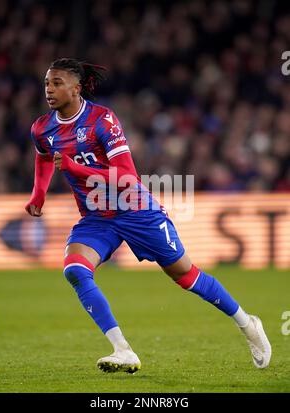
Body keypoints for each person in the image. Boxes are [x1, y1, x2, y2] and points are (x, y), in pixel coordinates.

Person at [25, 58, 271, 374]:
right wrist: (38, 193)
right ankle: (123, 350)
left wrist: (75, 168)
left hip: (135, 210)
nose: (49, 89)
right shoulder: (42, 127)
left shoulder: (102, 121)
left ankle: (247, 323)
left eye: (57, 82)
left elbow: (127, 176)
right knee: (74, 269)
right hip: (97, 217)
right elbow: (45, 157)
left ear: (76, 87)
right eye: (47, 82)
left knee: (185, 276)